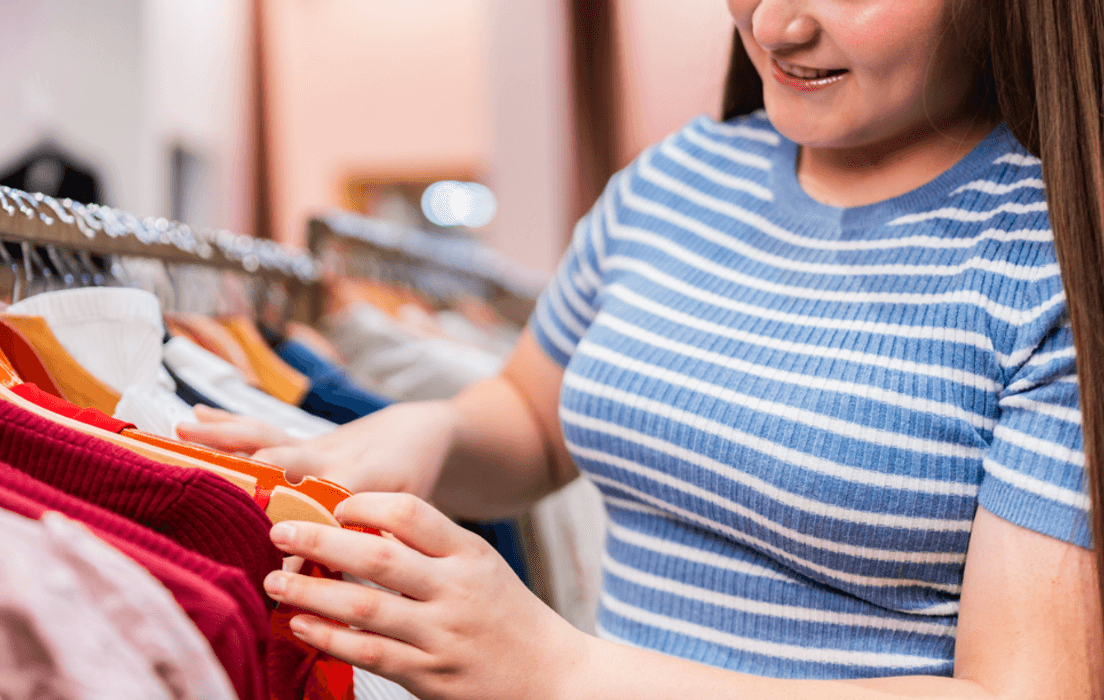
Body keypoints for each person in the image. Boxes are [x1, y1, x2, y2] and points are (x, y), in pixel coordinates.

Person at [184, 0, 1104, 697]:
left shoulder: (1050, 258)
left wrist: (565, 673)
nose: (775, 24)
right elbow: (534, 423)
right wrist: (429, 433)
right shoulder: (672, 180)